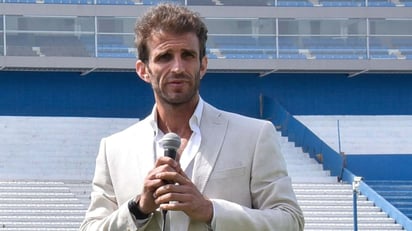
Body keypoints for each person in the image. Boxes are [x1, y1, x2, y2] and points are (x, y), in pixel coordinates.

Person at [80, 3, 304, 231]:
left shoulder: (254, 136)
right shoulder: (114, 149)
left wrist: (210, 211)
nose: (177, 67)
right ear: (143, 70)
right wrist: (138, 209)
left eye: (187, 55)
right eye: (164, 57)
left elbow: (290, 221)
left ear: (203, 65)